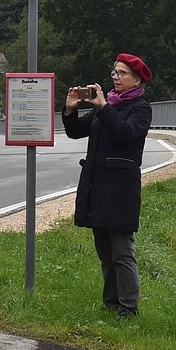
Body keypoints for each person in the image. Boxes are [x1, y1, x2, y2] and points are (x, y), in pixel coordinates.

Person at [62, 53, 153, 318]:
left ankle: (129, 307)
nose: (116, 78)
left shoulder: (140, 108)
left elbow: (125, 134)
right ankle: (111, 303)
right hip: (98, 187)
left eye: (122, 73)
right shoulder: (109, 104)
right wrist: (70, 109)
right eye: (114, 72)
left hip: (121, 190)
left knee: (122, 251)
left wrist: (103, 107)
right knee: (104, 250)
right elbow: (76, 130)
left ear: (136, 80)